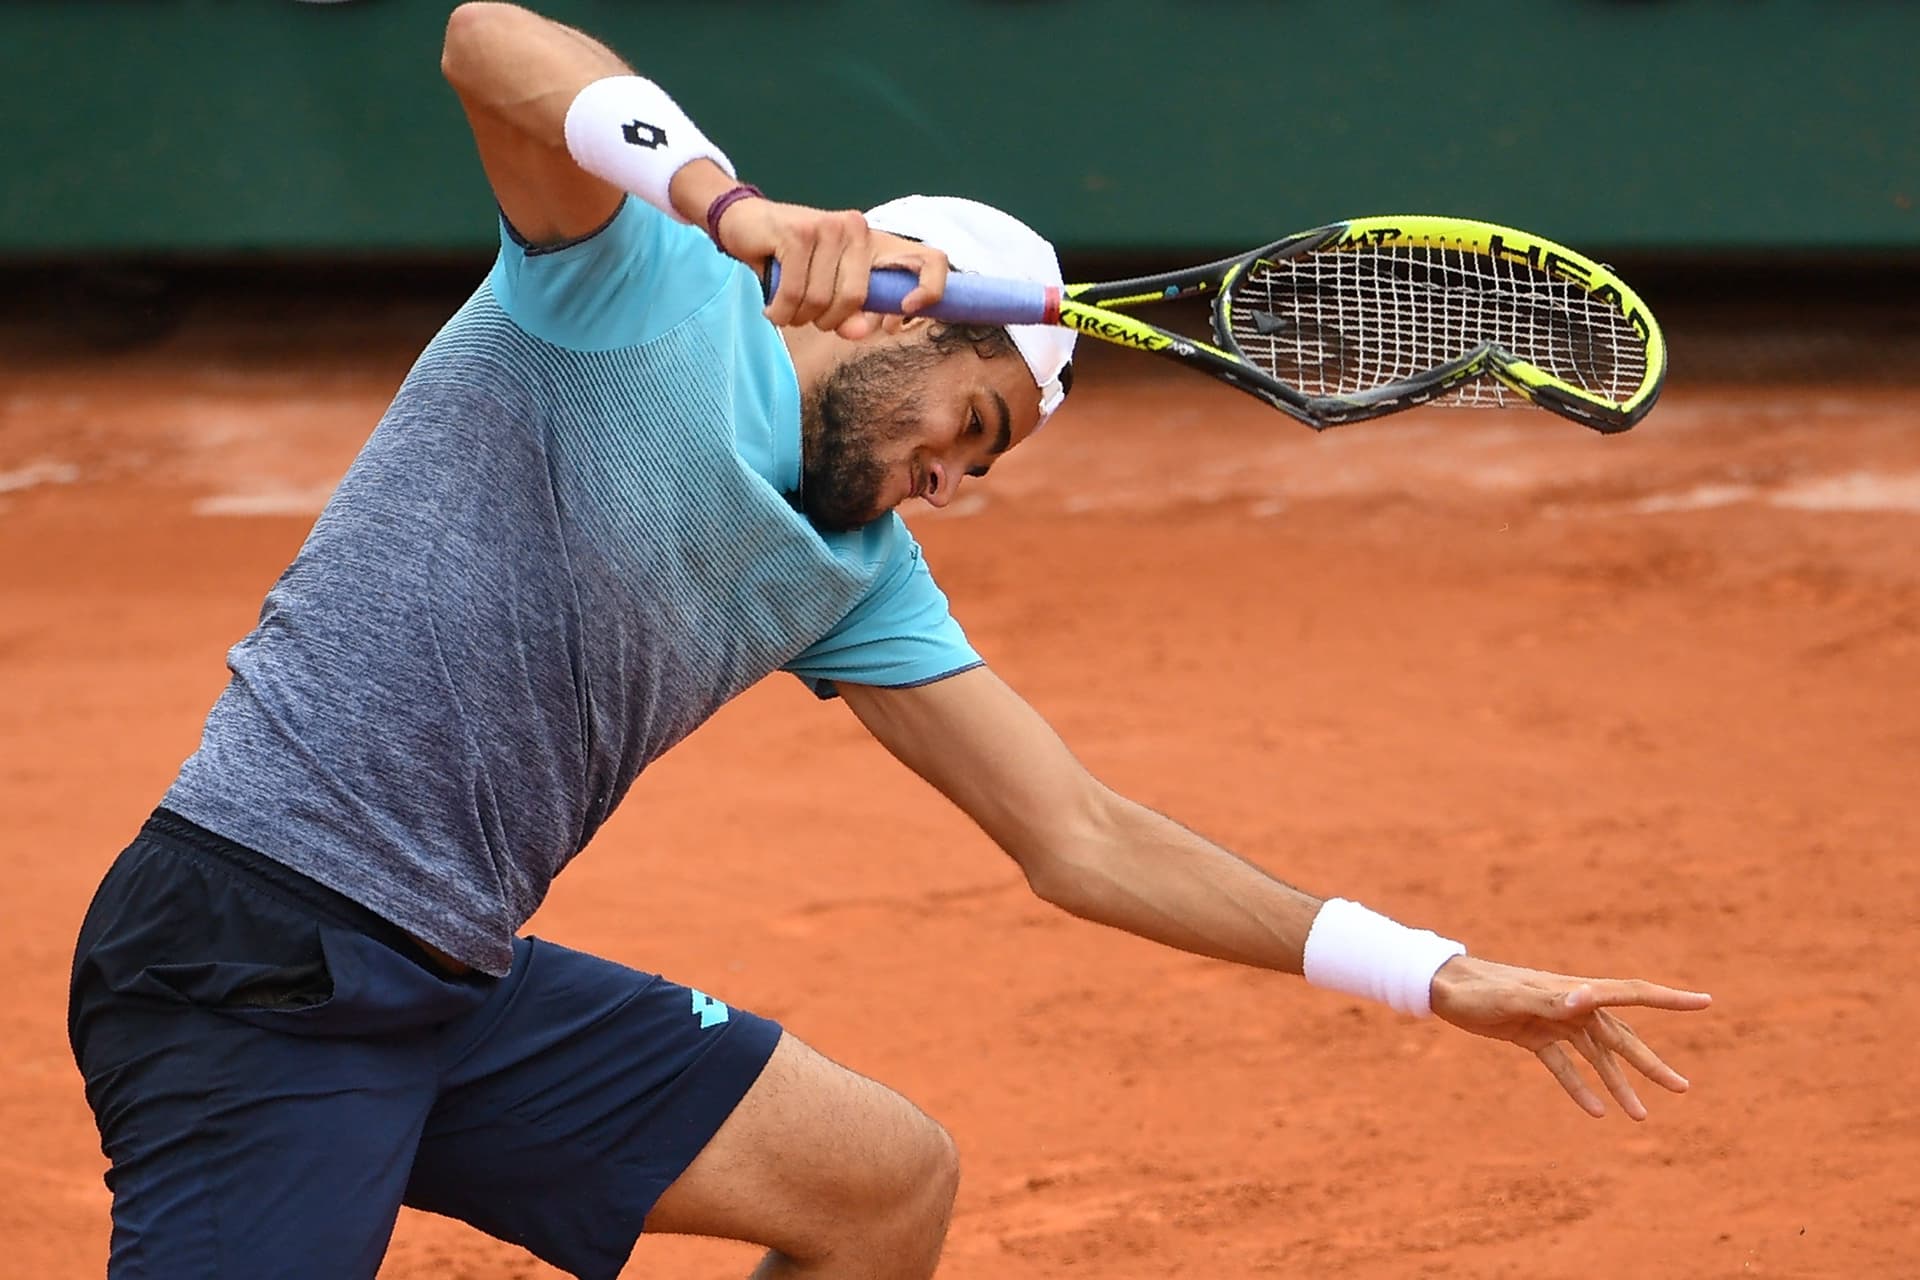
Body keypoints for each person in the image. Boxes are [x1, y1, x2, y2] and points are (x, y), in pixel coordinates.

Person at [66, 4, 1713, 1278]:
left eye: (979, 467)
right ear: (896, 311)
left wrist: (1442, 974)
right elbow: (483, 41)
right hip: (255, 957)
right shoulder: (620, 289)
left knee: (879, 1180)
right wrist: (727, 203)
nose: (953, 483)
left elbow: (1078, 836)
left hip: (454, 977)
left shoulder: (858, 568)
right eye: (973, 426)